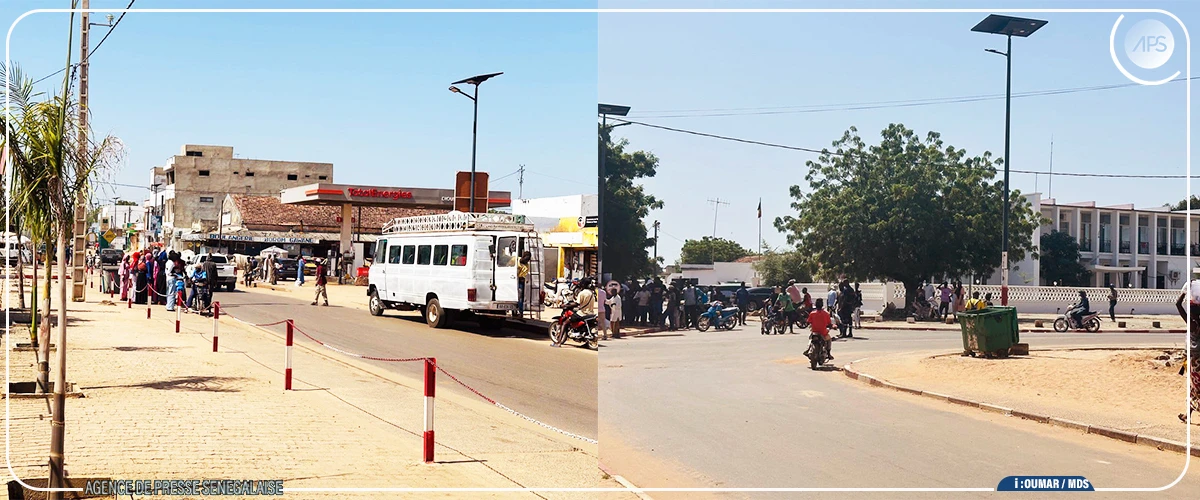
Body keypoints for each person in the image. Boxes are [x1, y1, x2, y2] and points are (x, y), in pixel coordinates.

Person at [1175, 278, 1200, 423]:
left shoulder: (1192, 323)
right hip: (1195, 358)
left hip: (1195, 359)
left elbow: (1178, 305)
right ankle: (1187, 415)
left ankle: (1187, 415)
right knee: (1194, 388)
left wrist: (1185, 291)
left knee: (1195, 387)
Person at [517, 251, 531, 316]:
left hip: (521, 281)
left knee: (520, 297)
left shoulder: (526, 265)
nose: (527, 261)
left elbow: (524, 274)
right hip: (515, 280)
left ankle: (520, 311)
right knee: (518, 297)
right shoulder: (517, 260)